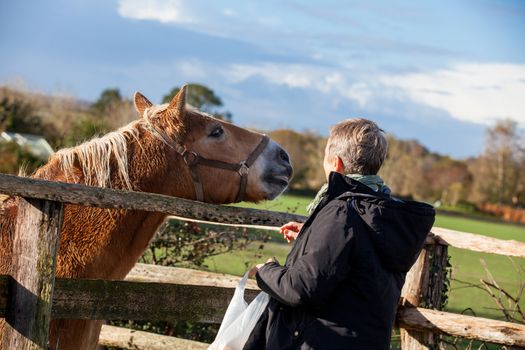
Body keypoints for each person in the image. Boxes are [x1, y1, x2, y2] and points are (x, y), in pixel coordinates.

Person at [244, 118, 435, 350]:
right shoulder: (382, 213)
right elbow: (360, 255)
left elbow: (301, 289)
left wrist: (267, 271)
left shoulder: (342, 212)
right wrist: (311, 234)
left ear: (336, 163)